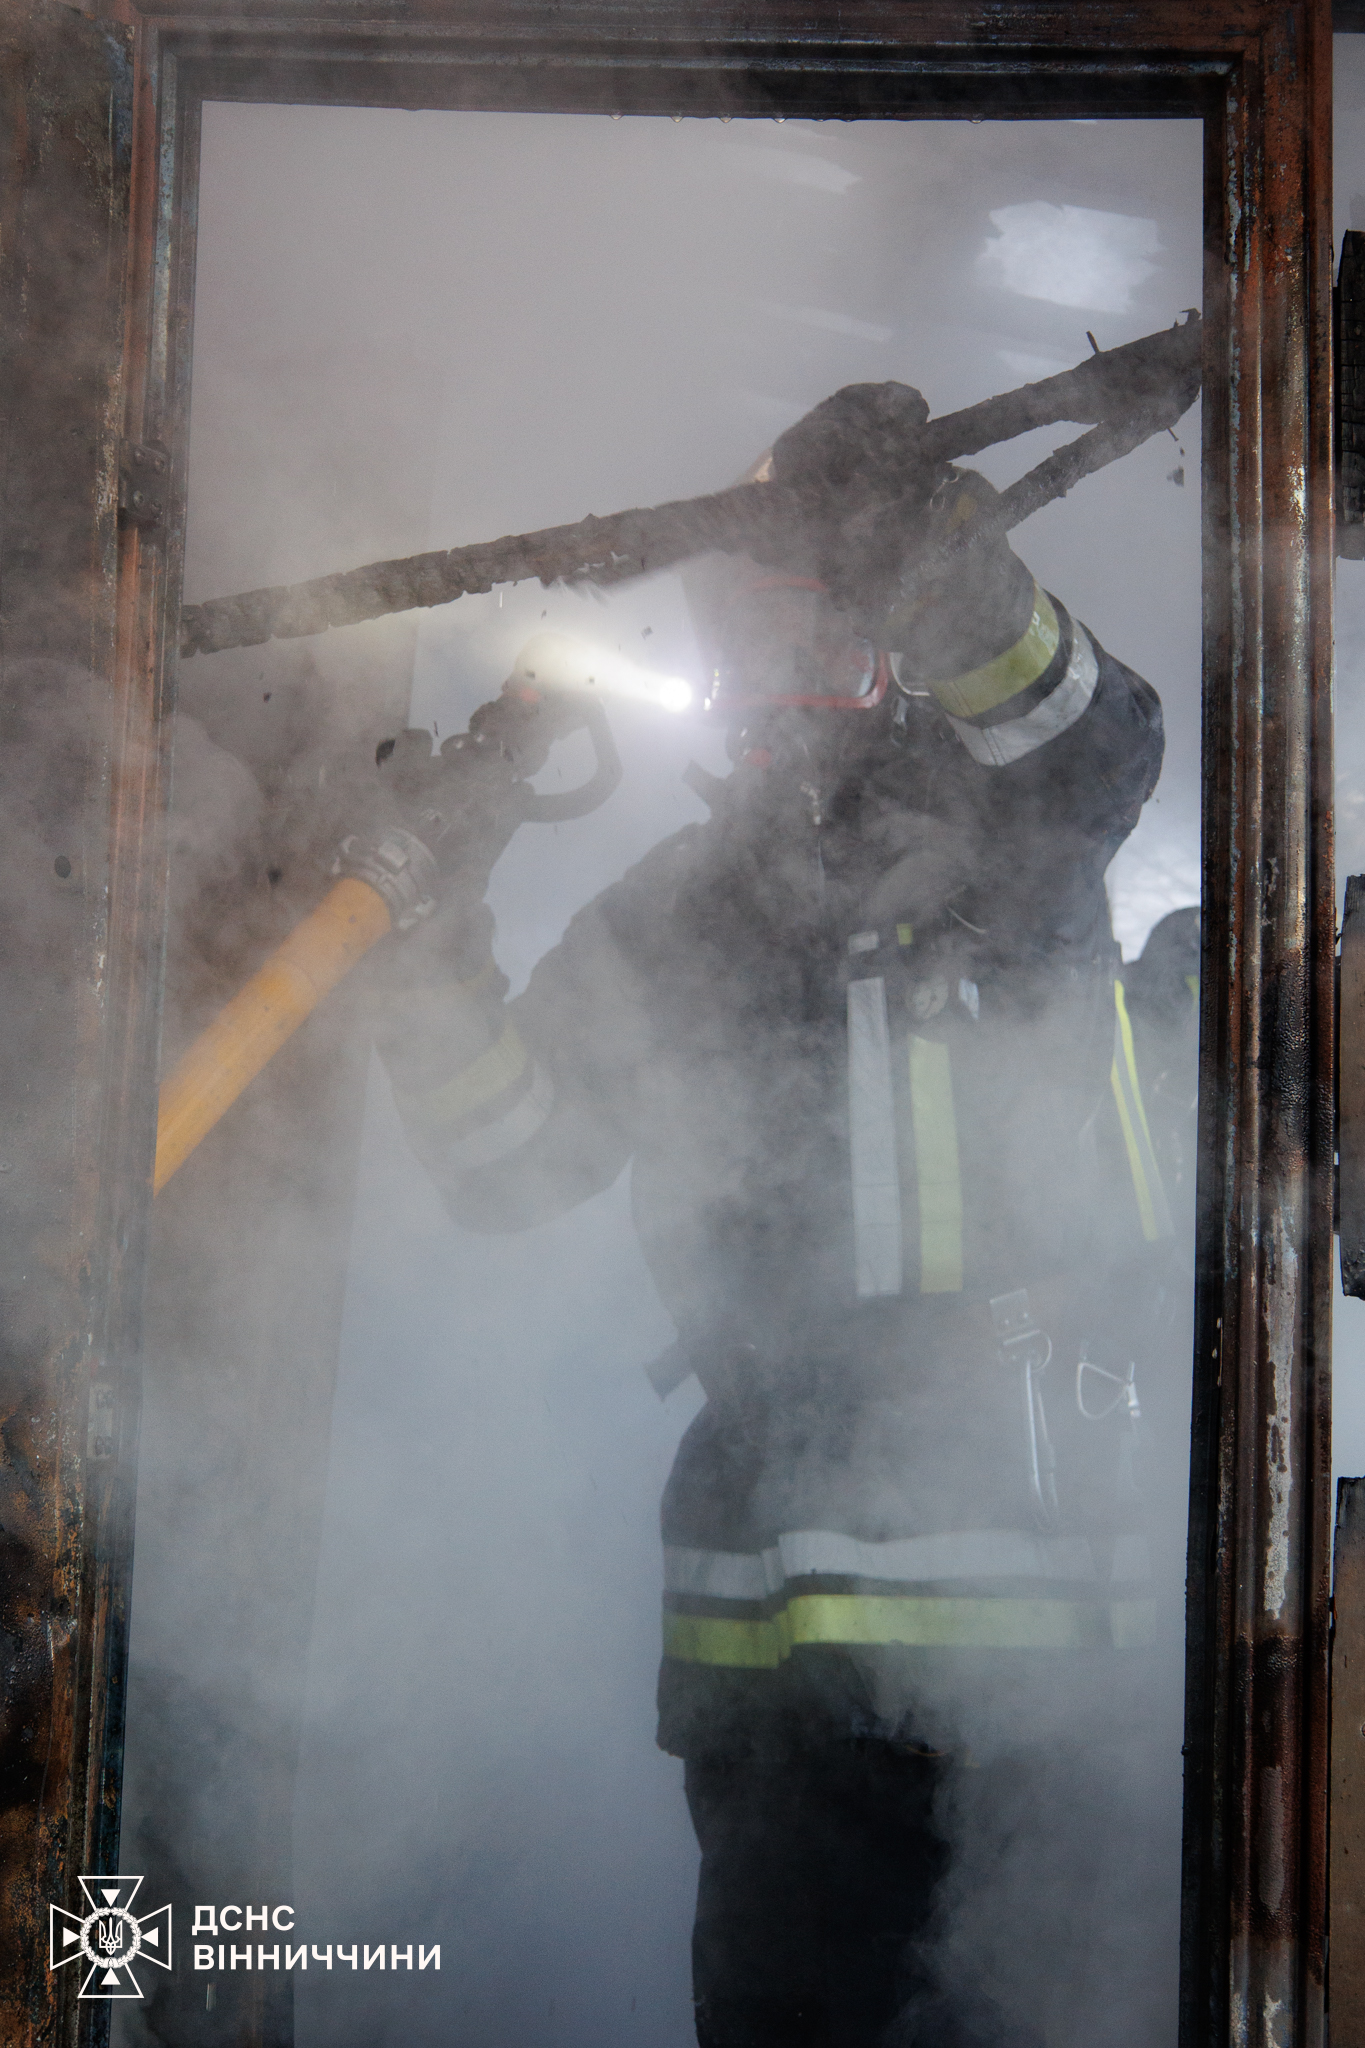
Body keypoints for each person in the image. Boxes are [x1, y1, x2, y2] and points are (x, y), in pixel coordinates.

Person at [367, 385, 1173, 2047]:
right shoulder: (669, 915)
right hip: (776, 1679)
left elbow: (1096, 740)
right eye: (740, 636)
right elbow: (510, 1161)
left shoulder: (1010, 827)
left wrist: (933, 552)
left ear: (873, 626)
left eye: (807, 616)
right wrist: (428, 944)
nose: (773, 671)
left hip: (1039, 1665)